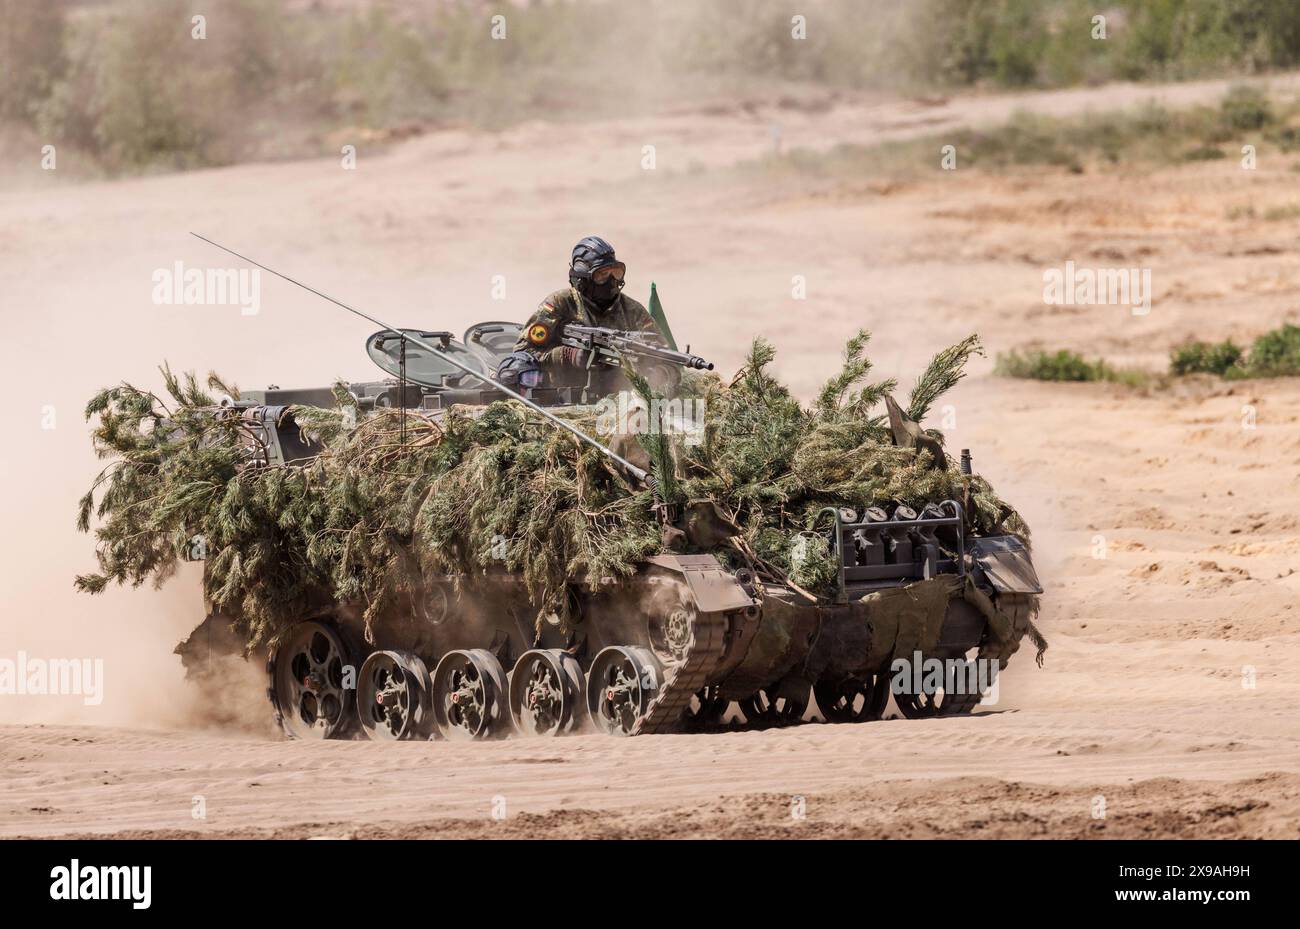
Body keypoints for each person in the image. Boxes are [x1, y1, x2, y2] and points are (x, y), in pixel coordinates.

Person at [496, 236, 668, 394]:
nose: (611, 280)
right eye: (602, 275)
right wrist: (566, 355)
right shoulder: (560, 304)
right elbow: (524, 353)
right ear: (582, 279)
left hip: (621, 399)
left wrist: (657, 375)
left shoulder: (632, 310)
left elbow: (666, 356)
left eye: (616, 272)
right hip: (561, 398)